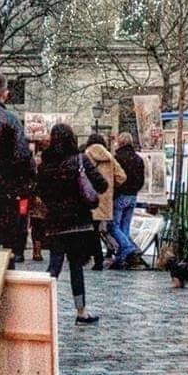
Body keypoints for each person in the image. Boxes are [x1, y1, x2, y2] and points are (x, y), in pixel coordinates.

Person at [36, 122, 107, 324]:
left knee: (54, 266)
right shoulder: (80, 160)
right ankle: (81, 311)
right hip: (78, 222)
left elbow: (40, 191)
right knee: (76, 266)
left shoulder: (45, 164)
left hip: (55, 222)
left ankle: (41, 308)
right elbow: (102, 184)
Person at [0, 72, 35, 268]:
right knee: (3, 247)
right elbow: (22, 157)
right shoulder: (11, 120)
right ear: (4, 94)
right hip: (3, 192)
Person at [84, 133, 126, 270]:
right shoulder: (109, 156)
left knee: (90, 230)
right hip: (105, 200)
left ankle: (95, 259)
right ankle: (99, 259)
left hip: (90, 198)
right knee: (97, 230)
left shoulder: (87, 154)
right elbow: (121, 177)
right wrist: (110, 188)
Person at [109, 132, 145, 270]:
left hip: (120, 195)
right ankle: (122, 257)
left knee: (113, 226)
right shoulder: (138, 159)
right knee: (125, 226)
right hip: (133, 195)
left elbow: (115, 179)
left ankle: (130, 248)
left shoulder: (117, 158)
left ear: (120, 142)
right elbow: (141, 180)